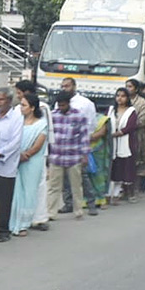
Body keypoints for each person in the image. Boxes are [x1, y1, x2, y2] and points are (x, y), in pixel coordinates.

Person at [46, 92, 90, 221]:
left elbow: (84, 137)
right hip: (56, 156)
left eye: (63, 105)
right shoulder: (53, 116)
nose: (61, 107)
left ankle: (78, 211)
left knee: (76, 186)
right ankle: (51, 213)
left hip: (74, 157)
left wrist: (85, 155)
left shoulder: (79, 116)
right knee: (54, 187)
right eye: (59, 105)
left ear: (68, 103)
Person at [9, 93, 48, 236]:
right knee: (15, 192)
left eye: (24, 105)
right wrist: (15, 155)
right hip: (15, 161)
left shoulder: (41, 124)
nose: (21, 108)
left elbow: (38, 145)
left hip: (31, 162)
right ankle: (12, 223)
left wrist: (26, 155)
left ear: (32, 108)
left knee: (29, 192)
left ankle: (24, 224)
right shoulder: (17, 122)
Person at [58, 78, 98, 215]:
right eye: (62, 86)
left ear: (74, 86)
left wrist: (85, 148)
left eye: (67, 86)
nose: (64, 88)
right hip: (62, 148)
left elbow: (91, 125)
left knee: (83, 177)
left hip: (78, 147)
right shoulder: (59, 103)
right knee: (65, 179)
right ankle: (68, 203)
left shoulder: (85, 103)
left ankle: (91, 203)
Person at [0, 88, 23, 244]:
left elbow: (15, 143)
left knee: (3, 201)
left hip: (6, 165)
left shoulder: (17, 118)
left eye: (1, 99)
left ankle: (3, 231)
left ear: (9, 101)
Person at [125, 79, 145, 195]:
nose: (128, 89)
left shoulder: (142, 103)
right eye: (126, 86)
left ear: (136, 89)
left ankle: (135, 189)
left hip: (137, 135)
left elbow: (142, 121)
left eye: (130, 87)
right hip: (123, 136)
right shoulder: (123, 100)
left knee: (137, 163)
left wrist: (127, 126)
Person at [108, 88, 139, 204]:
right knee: (114, 168)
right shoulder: (111, 110)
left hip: (126, 143)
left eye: (123, 96)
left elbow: (130, 127)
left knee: (125, 167)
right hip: (113, 143)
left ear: (127, 98)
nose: (120, 98)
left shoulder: (131, 111)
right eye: (118, 96)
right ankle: (111, 194)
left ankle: (124, 193)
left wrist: (117, 134)